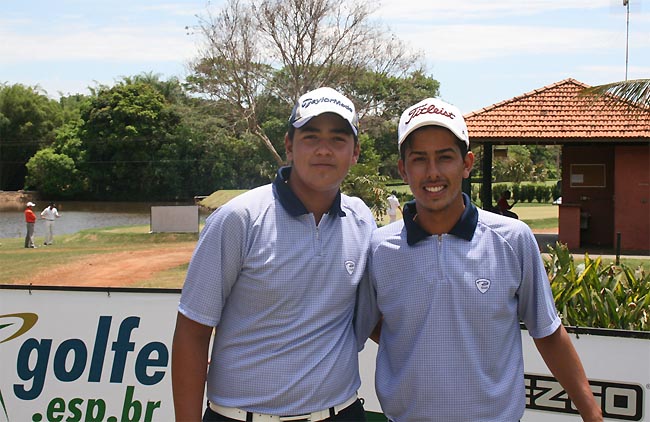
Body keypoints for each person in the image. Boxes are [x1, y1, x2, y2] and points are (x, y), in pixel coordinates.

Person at [355, 98, 602, 421]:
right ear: (403, 168)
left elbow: (549, 333)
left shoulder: (512, 239)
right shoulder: (378, 247)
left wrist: (592, 415)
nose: (433, 172)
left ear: (467, 163)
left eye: (445, 157)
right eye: (419, 159)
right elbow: (371, 324)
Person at [172, 87, 376, 422]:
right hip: (240, 416)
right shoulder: (239, 218)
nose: (324, 150)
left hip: (340, 412)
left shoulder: (361, 219)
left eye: (338, 139)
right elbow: (192, 333)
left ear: (355, 152)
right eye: (310, 137)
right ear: (289, 146)